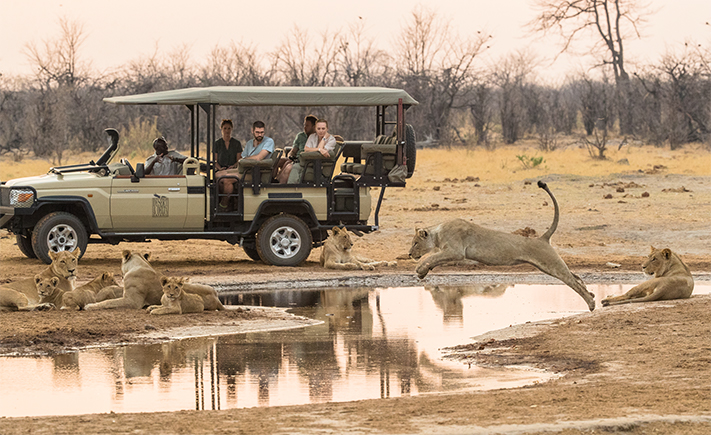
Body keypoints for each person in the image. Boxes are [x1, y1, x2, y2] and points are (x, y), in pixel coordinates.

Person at [217, 121, 275, 208]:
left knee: (226, 180)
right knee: (217, 175)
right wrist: (237, 164)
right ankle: (231, 200)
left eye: (262, 132)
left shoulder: (269, 141)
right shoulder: (249, 143)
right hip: (245, 169)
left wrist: (244, 160)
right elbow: (242, 159)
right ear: (252, 131)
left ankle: (224, 205)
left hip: (256, 172)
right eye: (257, 132)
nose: (260, 135)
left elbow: (259, 158)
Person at [287, 119, 337, 184]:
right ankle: (292, 189)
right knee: (295, 166)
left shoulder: (332, 140)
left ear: (327, 129)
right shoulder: (312, 136)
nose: (321, 131)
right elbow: (306, 149)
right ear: (315, 129)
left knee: (298, 167)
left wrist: (324, 139)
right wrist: (319, 149)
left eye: (323, 128)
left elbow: (319, 152)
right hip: (309, 163)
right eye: (318, 129)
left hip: (319, 166)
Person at [275, 114, 317, 184]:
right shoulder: (300, 136)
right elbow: (293, 150)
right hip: (295, 158)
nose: (305, 127)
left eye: (307, 125)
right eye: (304, 125)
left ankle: (281, 186)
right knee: (278, 161)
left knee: (288, 166)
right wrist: (290, 156)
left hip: (304, 160)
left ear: (314, 127)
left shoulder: (317, 138)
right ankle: (273, 181)